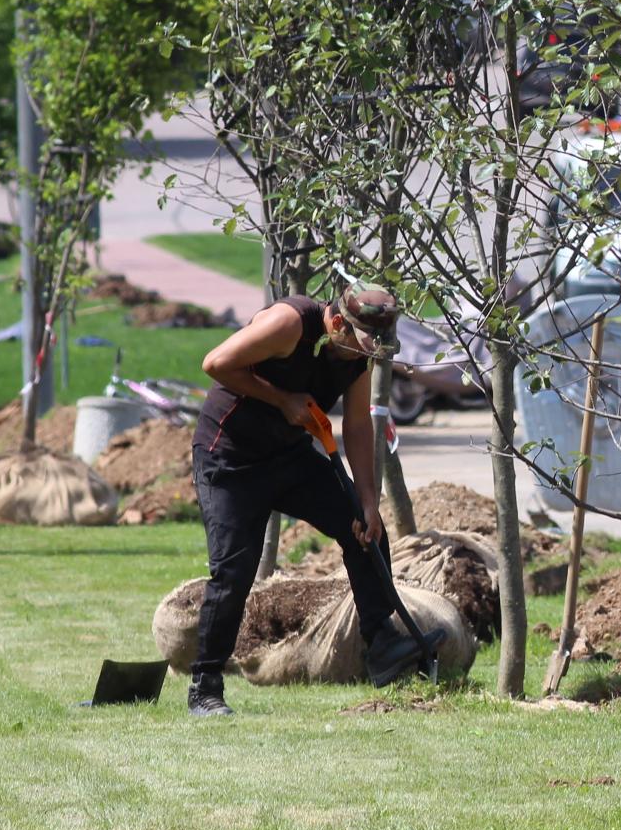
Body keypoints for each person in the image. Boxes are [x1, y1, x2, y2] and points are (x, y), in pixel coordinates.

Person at [187, 281, 440, 717]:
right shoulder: (290, 324)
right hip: (229, 459)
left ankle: (382, 645)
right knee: (234, 569)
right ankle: (205, 686)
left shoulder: (355, 359)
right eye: (363, 342)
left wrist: (367, 501)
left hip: (287, 456)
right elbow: (216, 363)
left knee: (364, 532)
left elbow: (358, 426)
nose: (368, 353)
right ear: (337, 323)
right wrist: (282, 399)